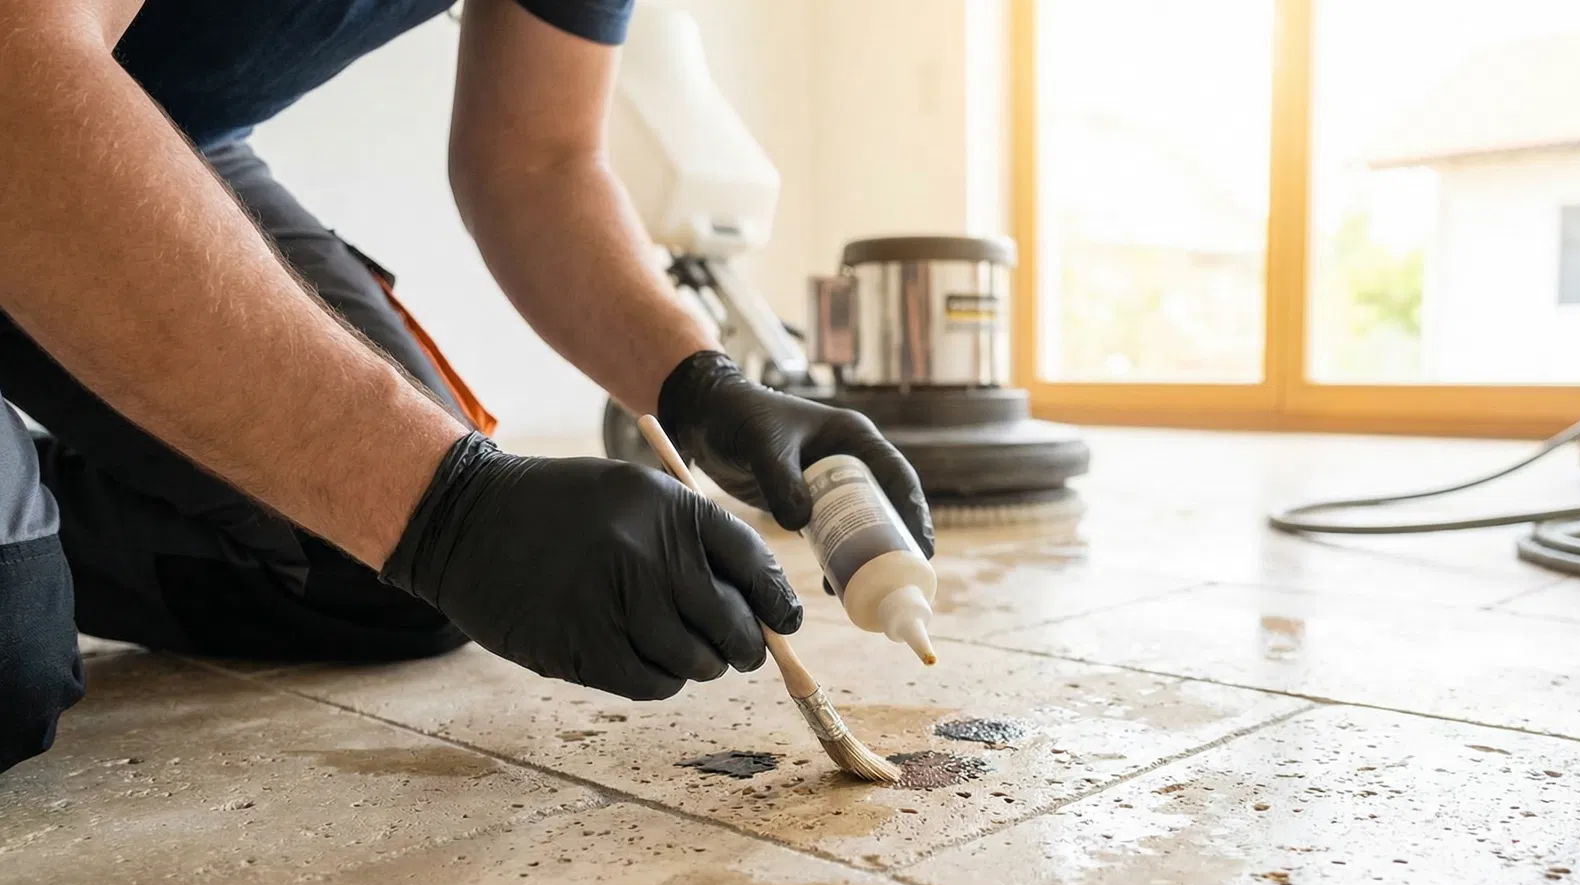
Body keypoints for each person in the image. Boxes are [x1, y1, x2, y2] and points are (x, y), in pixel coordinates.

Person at [0, 0, 935, 774]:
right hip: (22, 81)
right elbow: (17, 64)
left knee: (376, 569)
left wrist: (699, 383)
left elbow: (540, 159)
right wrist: (448, 508)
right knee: (10, 656)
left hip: (154, 125)